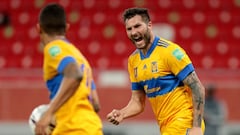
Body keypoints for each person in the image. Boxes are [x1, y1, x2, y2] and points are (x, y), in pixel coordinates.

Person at [107, 7, 205, 135]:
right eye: (129, 29)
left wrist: (196, 127)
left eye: (137, 26)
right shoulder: (133, 61)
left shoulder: (170, 51)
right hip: (166, 126)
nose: (133, 32)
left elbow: (197, 87)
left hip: (184, 121)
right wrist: (122, 113)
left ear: (149, 25)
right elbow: (137, 101)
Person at [34, 3, 103, 135]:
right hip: (92, 128)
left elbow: (74, 74)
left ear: (39, 28)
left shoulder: (54, 48)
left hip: (72, 129)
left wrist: (48, 113)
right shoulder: (81, 58)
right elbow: (95, 104)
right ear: (67, 28)